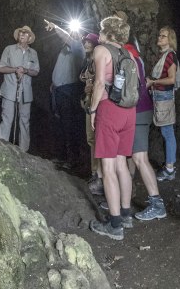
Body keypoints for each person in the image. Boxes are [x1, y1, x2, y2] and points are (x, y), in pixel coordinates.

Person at [88, 16, 137, 240]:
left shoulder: (101, 50)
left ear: (107, 32)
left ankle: (115, 225)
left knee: (107, 168)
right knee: (121, 164)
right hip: (129, 112)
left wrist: (92, 109)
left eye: (101, 30)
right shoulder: (130, 54)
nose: (99, 34)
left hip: (109, 109)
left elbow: (99, 83)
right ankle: (126, 214)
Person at [124, 42, 167, 221]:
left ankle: (157, 203)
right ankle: (126, 195)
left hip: (138, 111)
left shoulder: (126, 54)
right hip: (141, 109)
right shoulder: (134, 54)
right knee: (131, 156)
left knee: (140, 158)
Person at [45, 19, 85, 165]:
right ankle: (61, 156)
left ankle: (72, 159)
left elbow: (66, 36)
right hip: (58, 90)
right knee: (59, 124)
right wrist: (54, 83)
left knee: (69, 125)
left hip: (69, 91)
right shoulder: (64, 49)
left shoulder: (79, 48)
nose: (73, 34)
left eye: (76, 32)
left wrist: (55, 27)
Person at [0, 26, 40, 152]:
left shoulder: (33, 53)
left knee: (25, 121)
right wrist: (15, 69)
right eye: (21, 32)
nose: (22, 34)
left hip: (26, 92)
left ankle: (23, 151)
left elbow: (36, 71)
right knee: (7, 118)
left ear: (29, 37)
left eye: (25, 33)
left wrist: (25, 70)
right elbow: (1, 68)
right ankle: (2, 147)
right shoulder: (9, 49)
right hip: (9, 90)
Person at [146, 26, 180, 182]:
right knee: (166, 132)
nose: (159, 38)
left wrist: (153, 82)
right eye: (159, 35)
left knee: (168, 132)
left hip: (164, 96)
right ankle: (169, 166)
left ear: (170, 39)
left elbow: (172, 79)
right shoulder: (162, 56)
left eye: (164, 36)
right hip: (158, 95)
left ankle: (170, 169)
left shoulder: (170, 56)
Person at [80, 33, 104, 195]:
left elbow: (101, 80)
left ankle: (99, 175)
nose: (86, 44)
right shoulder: (88, 60)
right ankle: (94, 172)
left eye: (89, 42)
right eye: (85, 41)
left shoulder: (97, 60)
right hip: (89, 101)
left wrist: (91, 85)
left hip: (96, 103)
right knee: (90, 139)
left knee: (95, 139)